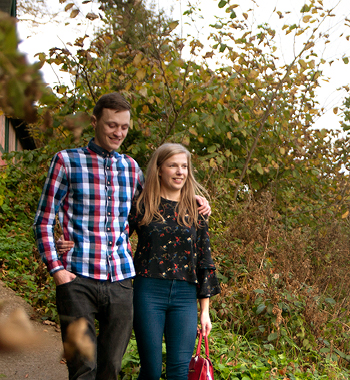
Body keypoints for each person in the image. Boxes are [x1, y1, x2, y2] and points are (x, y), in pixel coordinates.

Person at [33, 92, 210, 380]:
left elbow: (155, 210)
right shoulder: (66, 162)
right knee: (83, 366)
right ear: (94, 122)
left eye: (124, 127)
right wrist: (56, 268)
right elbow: (43, 219)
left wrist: (198, 202)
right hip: (77, 278)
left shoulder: (131, 168)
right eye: (112, 125)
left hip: (121, 280)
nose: (118, 132)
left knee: (111, 368)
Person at [128, 143, 220, 380]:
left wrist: (205, 311)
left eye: (184, 166)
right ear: (159, 169)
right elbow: (115, 237)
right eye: (173, 166)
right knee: (151, 369)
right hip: (148, 292)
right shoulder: (142, 205)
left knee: (179, 371)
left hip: (184, 297)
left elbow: (204, 260)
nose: (180, 172)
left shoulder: (196, 208)